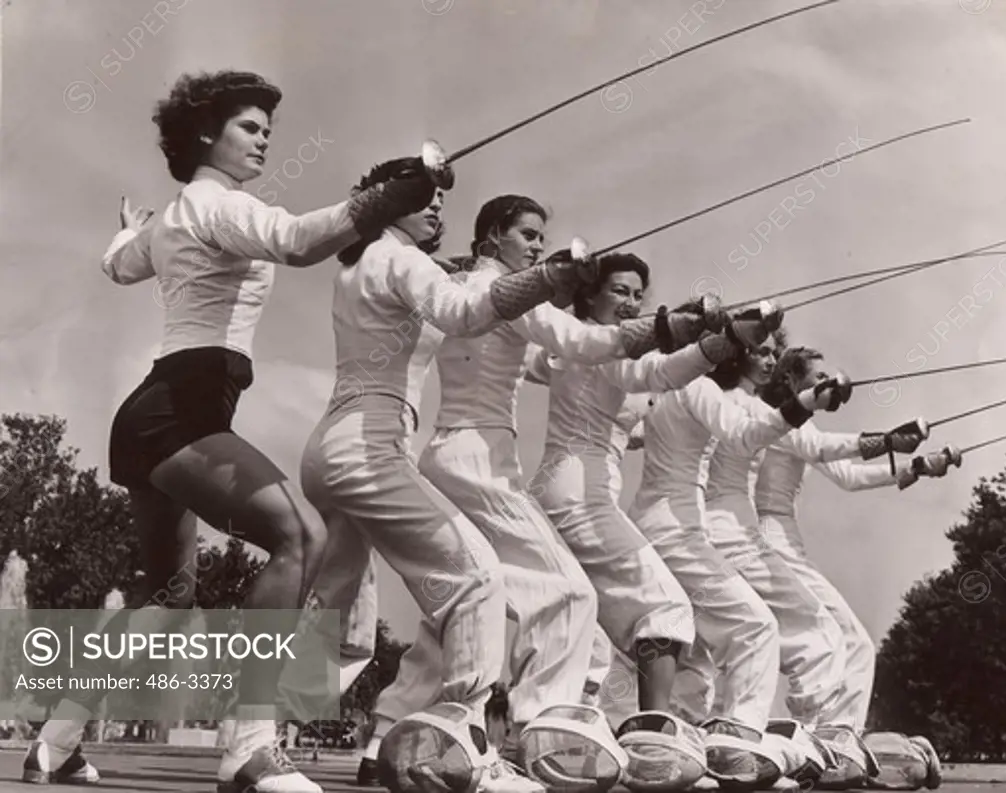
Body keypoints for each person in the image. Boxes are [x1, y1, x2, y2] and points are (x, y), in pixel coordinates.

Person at [23, 70, 446, 793]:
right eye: (250, 126)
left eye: (265, 128)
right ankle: (248, 746)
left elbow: (117, 265)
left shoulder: (170, 221)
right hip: (178, 412)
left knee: (168, 596)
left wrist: (132, 226)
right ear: (204, 136)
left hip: (156, 415)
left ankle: (54, 745)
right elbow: (297, 240)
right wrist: (383, 200)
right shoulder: (219, 205)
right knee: (300, 537)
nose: (264, 137)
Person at [361, 196, 726, 784]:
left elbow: (553, 355)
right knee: (569, 594)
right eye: (528, 235)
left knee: (462, 599)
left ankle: (385, 736)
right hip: (481, 461)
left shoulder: (455, 290)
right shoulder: (507, 295)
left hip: (444, 454)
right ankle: (538, 735)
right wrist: (668, 327)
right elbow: (584, 344)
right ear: (492, 237)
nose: (537, 245)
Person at [298, 182, 606, 792]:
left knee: (343, 624)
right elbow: (465, 312)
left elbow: (464, 303)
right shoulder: (402, 258)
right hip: (370, 446)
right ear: (386, 205)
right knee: (480, 577)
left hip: (338, 444)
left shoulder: (365, 260)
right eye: (421, 193)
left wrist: (502, 273)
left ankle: (251, 737)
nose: (437, 205)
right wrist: (547, 279)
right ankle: (467, 746)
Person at [526, 253, 783, 718]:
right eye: (619, 291)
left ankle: (550, 727)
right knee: (664, 607)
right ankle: (654, 733)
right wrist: (722, 342)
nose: (630, 301)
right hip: (577, 494)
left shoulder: (577, 343)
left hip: (568, 487)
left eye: (637, 294)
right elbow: (655, 372)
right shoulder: (600, 344)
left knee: (576, 615)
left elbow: (621, 400)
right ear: (589, 294)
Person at [625, 328, 852, 788]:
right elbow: (745, 435)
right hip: (677, 528)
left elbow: (630, 432)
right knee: (755, 626)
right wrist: (805, 403)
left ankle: (679, 749)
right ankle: (736, 745)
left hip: (653, 522)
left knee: (694, 643)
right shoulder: (700, 386)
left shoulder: (662, 385)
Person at [754, 346, 954, 787]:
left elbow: (846, 476)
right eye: (817, 375)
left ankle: (833, 741)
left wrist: (914, 467)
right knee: (842, 642)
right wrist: (888, 441)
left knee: (845, 643)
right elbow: (825, 450)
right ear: (790, 380)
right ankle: (826, 743)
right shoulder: (773, 418)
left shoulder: (795, 425)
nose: (826, 383)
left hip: (784, 537)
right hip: (768, 536)